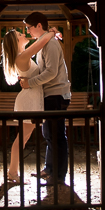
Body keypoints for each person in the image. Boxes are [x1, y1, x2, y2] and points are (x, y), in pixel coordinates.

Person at [20, 11, 71, 184]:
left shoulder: (51, 45)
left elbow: (51, 72)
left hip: (57, 94)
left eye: (29, 28)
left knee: (57, 135)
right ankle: (49, 169)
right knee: (48, 133)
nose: (28, 32)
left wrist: (30, 83)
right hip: (50, 95)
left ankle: (58, 176)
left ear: (39, 26)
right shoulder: (44, 43)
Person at [0, 26, 56, 182]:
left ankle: (12, 171)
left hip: (32, 97)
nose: (24, 34)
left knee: (23, 138)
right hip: (29, 100)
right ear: (16, 41)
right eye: (20, 33)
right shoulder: (22, 57)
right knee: (22, 138)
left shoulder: (22, 56)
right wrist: (52, 32)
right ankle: (12, 172)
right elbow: (42, 41)